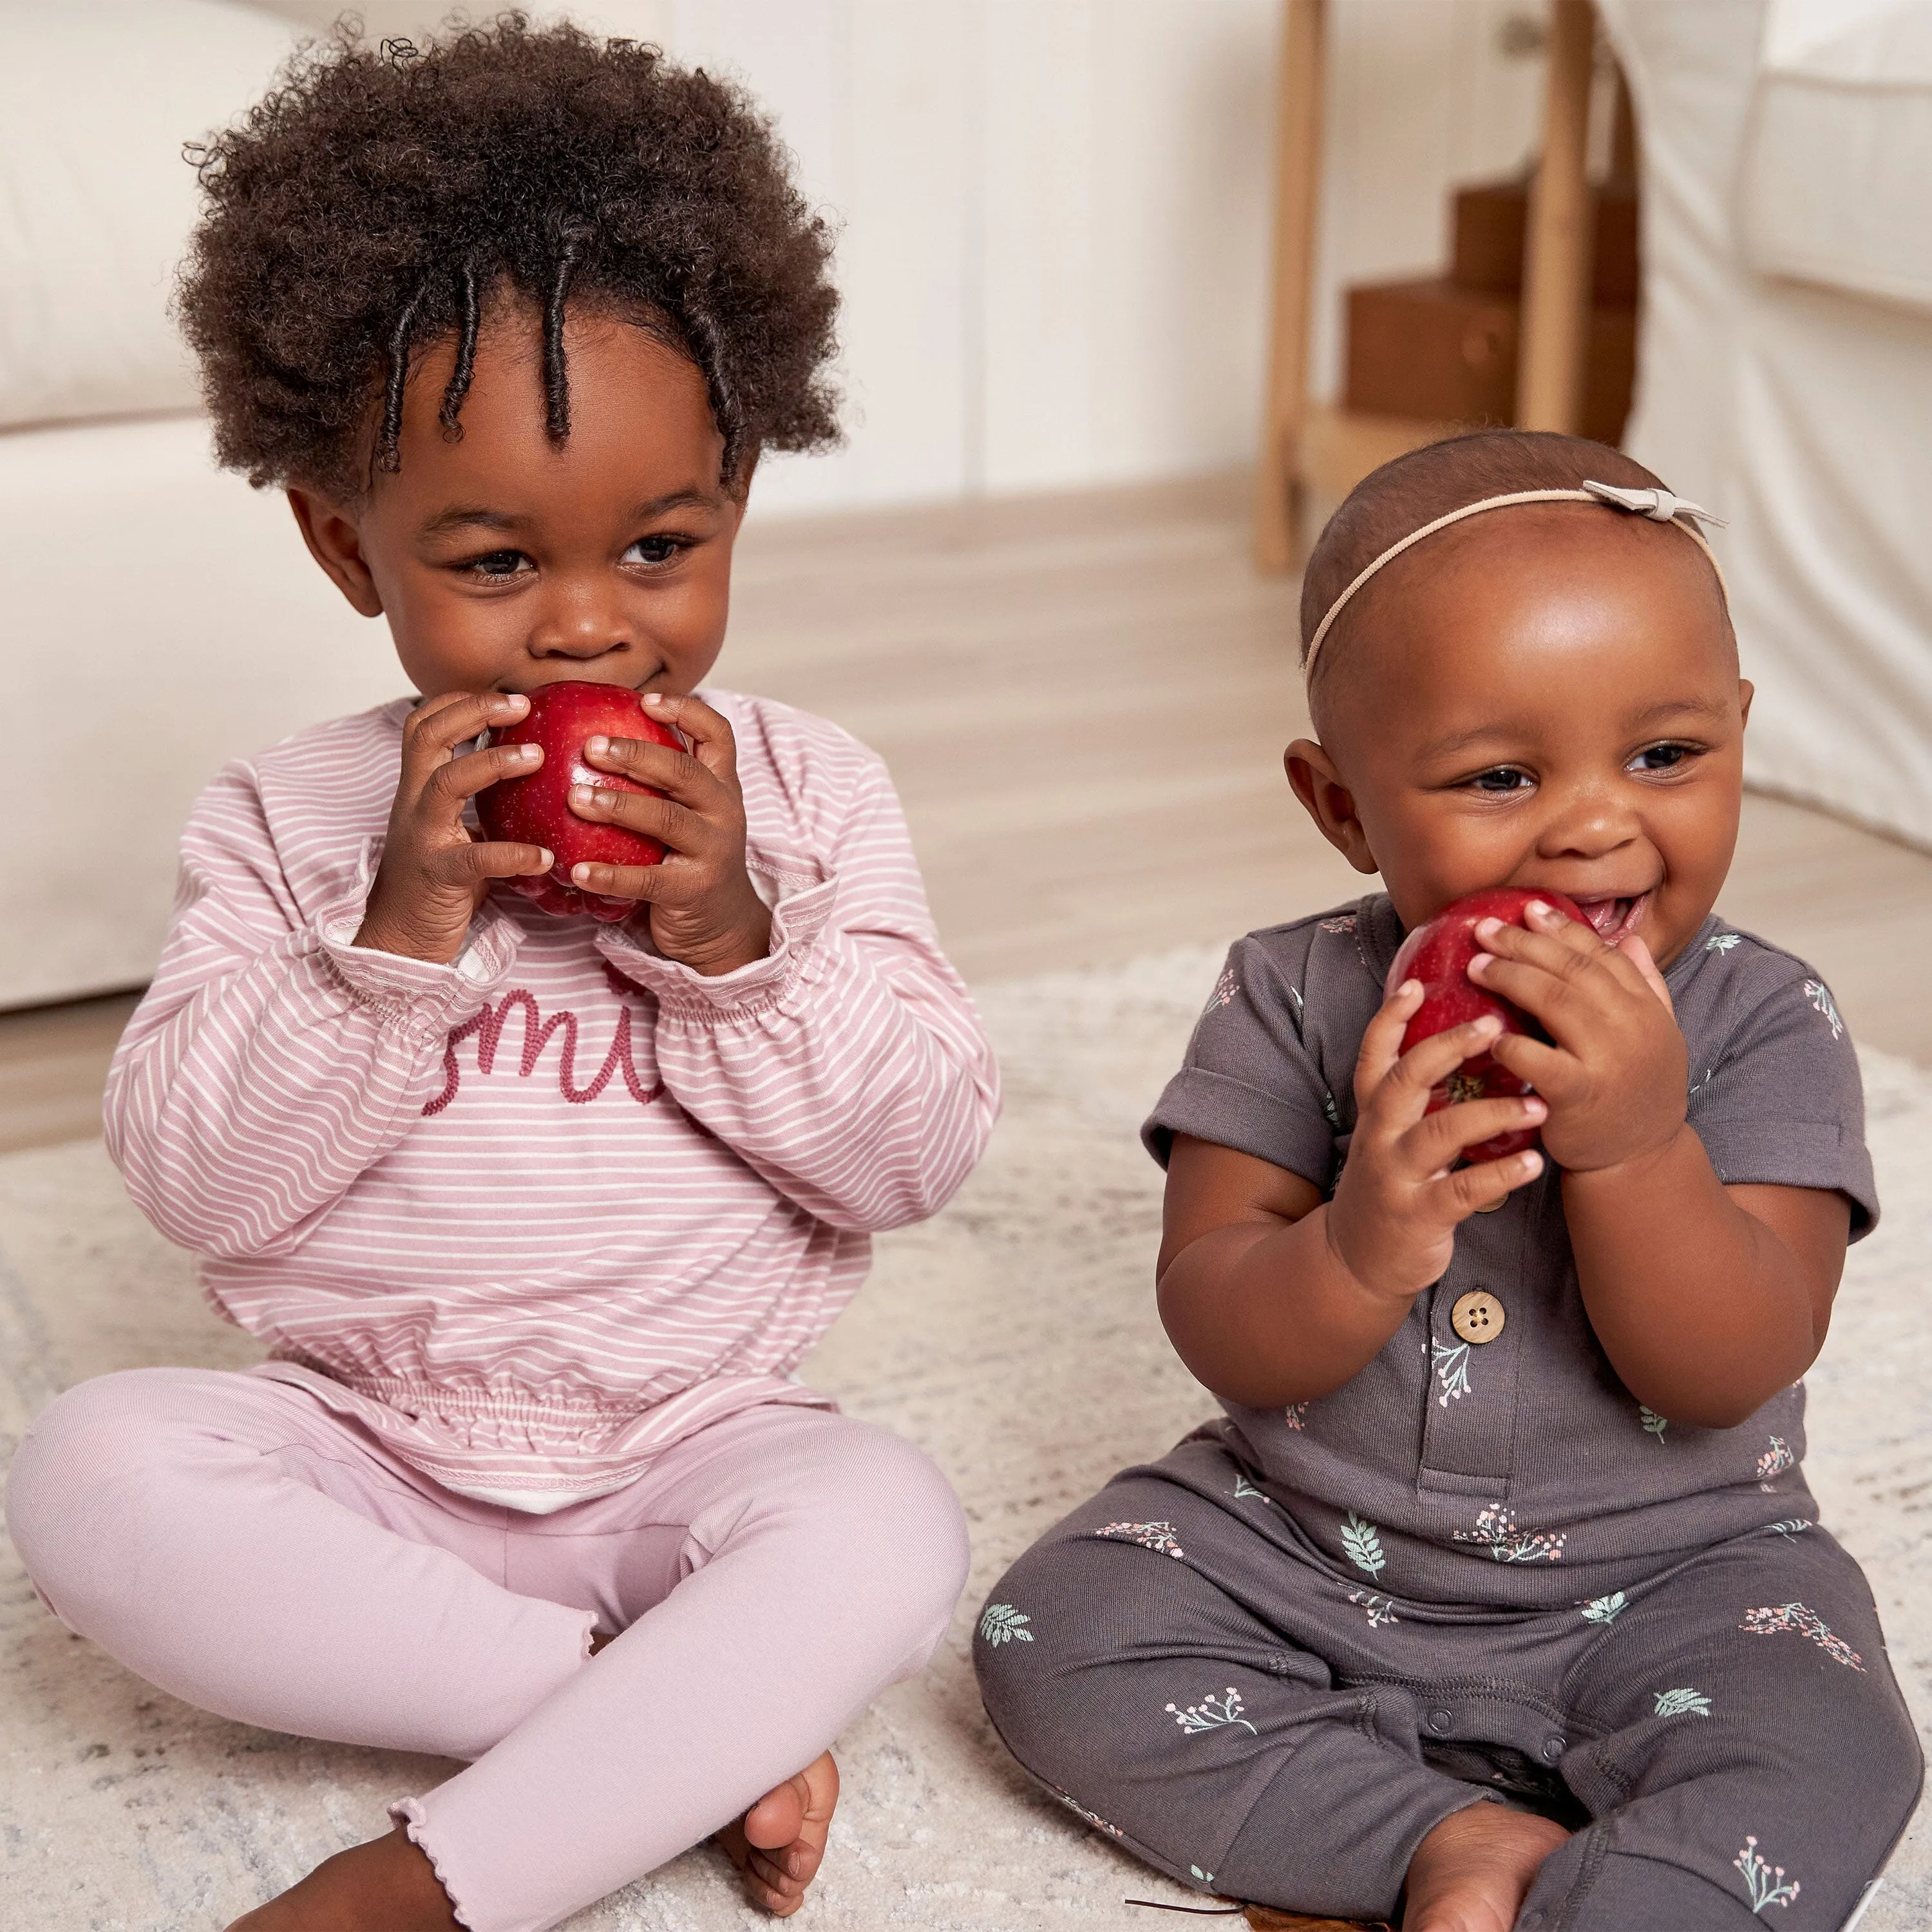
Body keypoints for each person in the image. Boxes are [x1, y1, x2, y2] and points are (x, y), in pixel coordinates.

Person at [5, 21, 997, 1932]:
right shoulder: (291, 819)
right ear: (340, 546)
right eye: (490, 559)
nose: (585, 626)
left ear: (735, 504)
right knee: (90, 1475)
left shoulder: (803, 800)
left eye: (659, 545)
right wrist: (393, 942)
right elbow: (192, 1179)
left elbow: (915, 1157)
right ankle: (646, 1734)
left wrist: (737, 943)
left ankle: (433, 1881)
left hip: (698, 1455)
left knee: (890, 1527)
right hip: (364, 1447)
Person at [974, 429, 1921, 1931]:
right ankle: (1439, 1841)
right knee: (1056, 1631)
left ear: (1743, 728)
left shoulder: (1764, 1021)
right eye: (1499, 775)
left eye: (1667, 754)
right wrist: (1358, 1245)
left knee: (1837, 1752)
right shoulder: (1289, 997)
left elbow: (1735, 1359)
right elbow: (1217, 1314)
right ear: (1342, 804)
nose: (1597, 823)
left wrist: (1636, 1143)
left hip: (1681, 1576)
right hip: (1299, 1548)